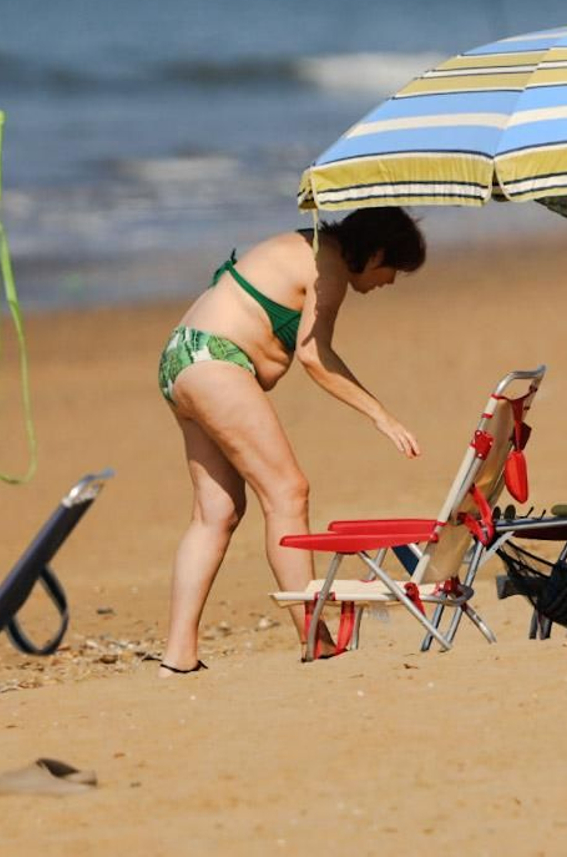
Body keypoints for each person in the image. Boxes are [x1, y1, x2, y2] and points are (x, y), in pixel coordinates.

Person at [155, 208, 426, 675]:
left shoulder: (309, 246)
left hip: (182, 356)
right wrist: (381, 415)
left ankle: (178, 658)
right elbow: (315, 356)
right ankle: (314, 638)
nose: (390, 282)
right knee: (288, 492)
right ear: (375, 253)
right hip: (217, 360)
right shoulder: (329, 267)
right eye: (393, 270)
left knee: (216, 514)